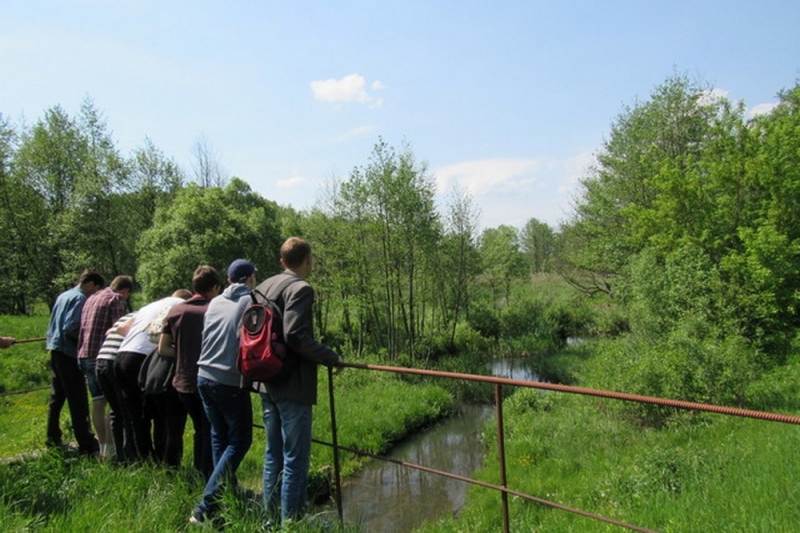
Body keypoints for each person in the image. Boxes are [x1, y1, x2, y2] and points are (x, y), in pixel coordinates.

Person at [256, 237, 343, 526]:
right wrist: (331, 356)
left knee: (274, 455)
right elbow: (295, 336)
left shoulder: (262, 287)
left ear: (282, 261)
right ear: (308, 260)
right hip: (292, 384)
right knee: (295, 458)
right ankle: (290, 524)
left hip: (266, 380)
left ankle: (271, 522)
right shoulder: (301, 289)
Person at [189, 259, 258, 526]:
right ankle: (204, 508)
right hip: (228, 380)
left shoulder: (215, 302)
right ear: (249, 278)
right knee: (240, 440)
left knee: (219, 437)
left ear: (228, 280)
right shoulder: (250, 301)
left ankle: (223, 499)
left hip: (203, 376)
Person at [158, 265, 222, 479]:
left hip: (181, 382)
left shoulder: (176, 311)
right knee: (208, 431)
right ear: (214, 287)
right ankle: (205, 478)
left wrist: (183, 354)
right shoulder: (213, 310)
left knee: (198, 429)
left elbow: (162, 348)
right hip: (207, 379)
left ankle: (193, 476)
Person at [114, 290, 189, 462]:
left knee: (135, 416)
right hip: (143, 359)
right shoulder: (180, 306)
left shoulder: (150, 306)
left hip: (122, 355)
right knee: (158, 413)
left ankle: (142, 459)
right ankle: (160, 459)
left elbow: (122, 328)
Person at [45, 269, 105, 456]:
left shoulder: (64, 296)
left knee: (57, 397)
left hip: (55, 349)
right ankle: (86, 441)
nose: (94, 294)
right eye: (96, 289)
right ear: (90, 284)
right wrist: (85, 340)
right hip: (69, 353)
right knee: (78, 398)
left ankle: (52, 436)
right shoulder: (80, 299)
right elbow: (71, 327)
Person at [78, 275, 134, 458]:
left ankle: (103, 449)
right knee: (114, 404)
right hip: (103, 355)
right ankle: (113, 451)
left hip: (84, 353)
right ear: (125, 291)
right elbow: (118, 328)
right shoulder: (115, 299)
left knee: (97, 402)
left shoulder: (92, 297)